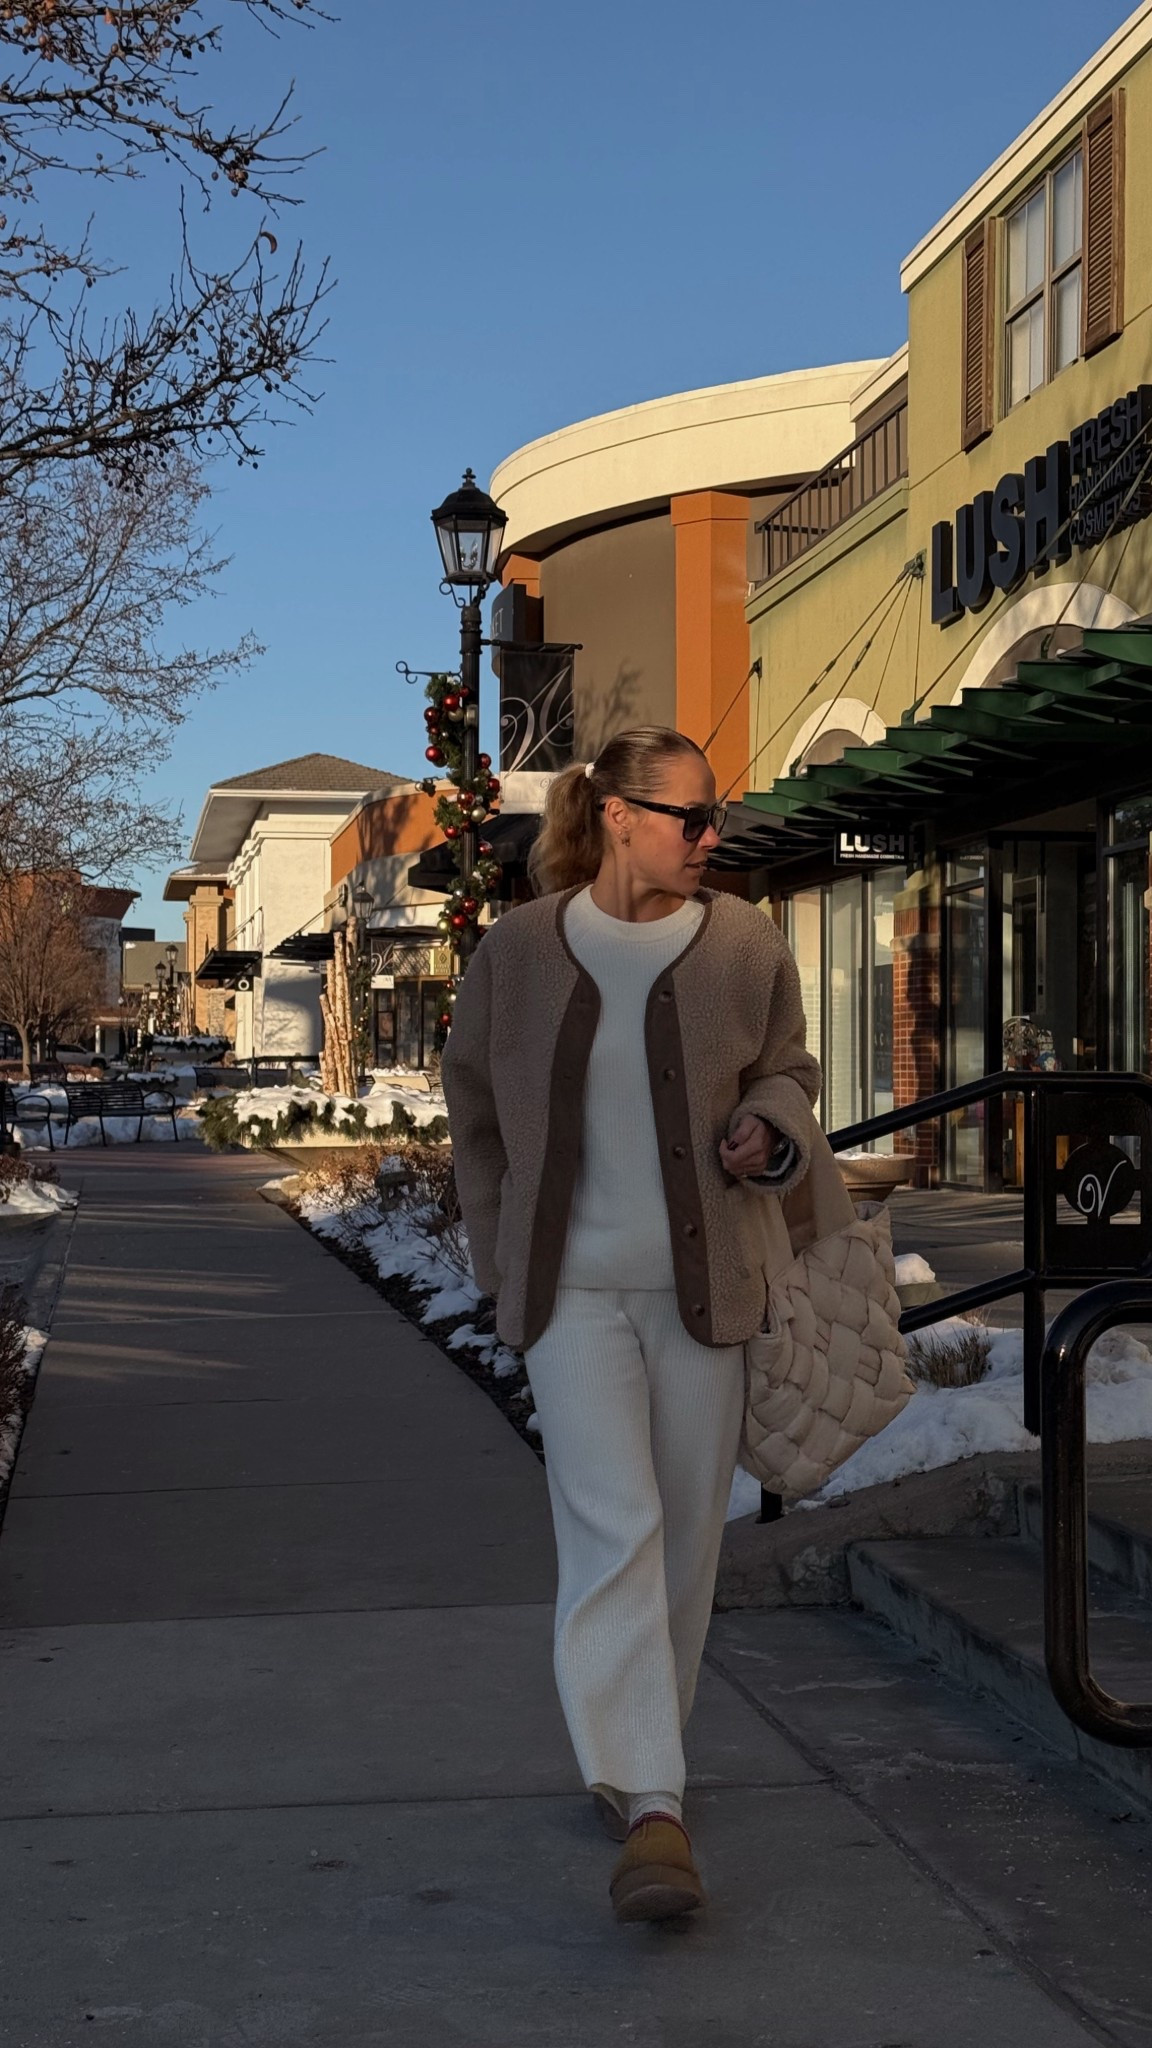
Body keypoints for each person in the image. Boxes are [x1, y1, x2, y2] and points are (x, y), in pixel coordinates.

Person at [441, 725, 820, 1924]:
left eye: (717, 818)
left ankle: (638, 1757)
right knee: (616, 1528)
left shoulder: (745, 943)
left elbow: (790, 1070)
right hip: (573, 1297)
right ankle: (655, 1799)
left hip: (708, 1293)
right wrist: (501, 1256)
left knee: (688, 1542)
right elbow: (474, 1112)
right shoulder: (517, 952)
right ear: (616, 814)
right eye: (689, 817)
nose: (711, 837)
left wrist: (769, 1125)